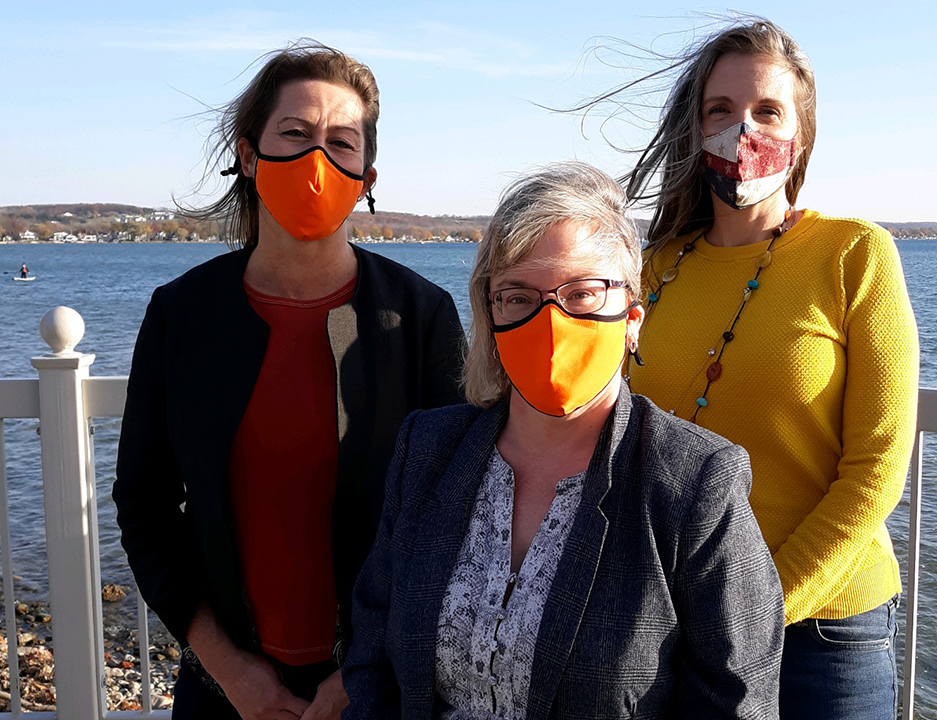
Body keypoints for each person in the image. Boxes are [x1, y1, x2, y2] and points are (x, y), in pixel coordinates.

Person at [342, 162, 784, 720]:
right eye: (520, 297)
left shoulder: (694, 486)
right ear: (491, 315)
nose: (552, 324)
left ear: (632, 319)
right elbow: (373, 650)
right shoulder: (427, 450)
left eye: (582, 294)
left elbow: (736, 703)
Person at [114, 42, 466, 720]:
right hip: (225, 694)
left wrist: (363, 666)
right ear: (250, 156)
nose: (317, 160)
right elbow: (146, 506)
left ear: (367, 173)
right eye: (296, 134)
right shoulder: (182, 316)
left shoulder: (419, 316)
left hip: (379, 687)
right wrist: (232, 672)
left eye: (342, 141)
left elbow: (449, 514)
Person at [619, 17, 920, 719]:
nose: (742, 130)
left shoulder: (855, 255)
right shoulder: (655, 266)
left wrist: (760, 608)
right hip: (677, 624)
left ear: (801, 135)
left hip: (824, 630)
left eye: (767, 111)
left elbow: (876, 470)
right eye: (719, 110)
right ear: (695, 133)